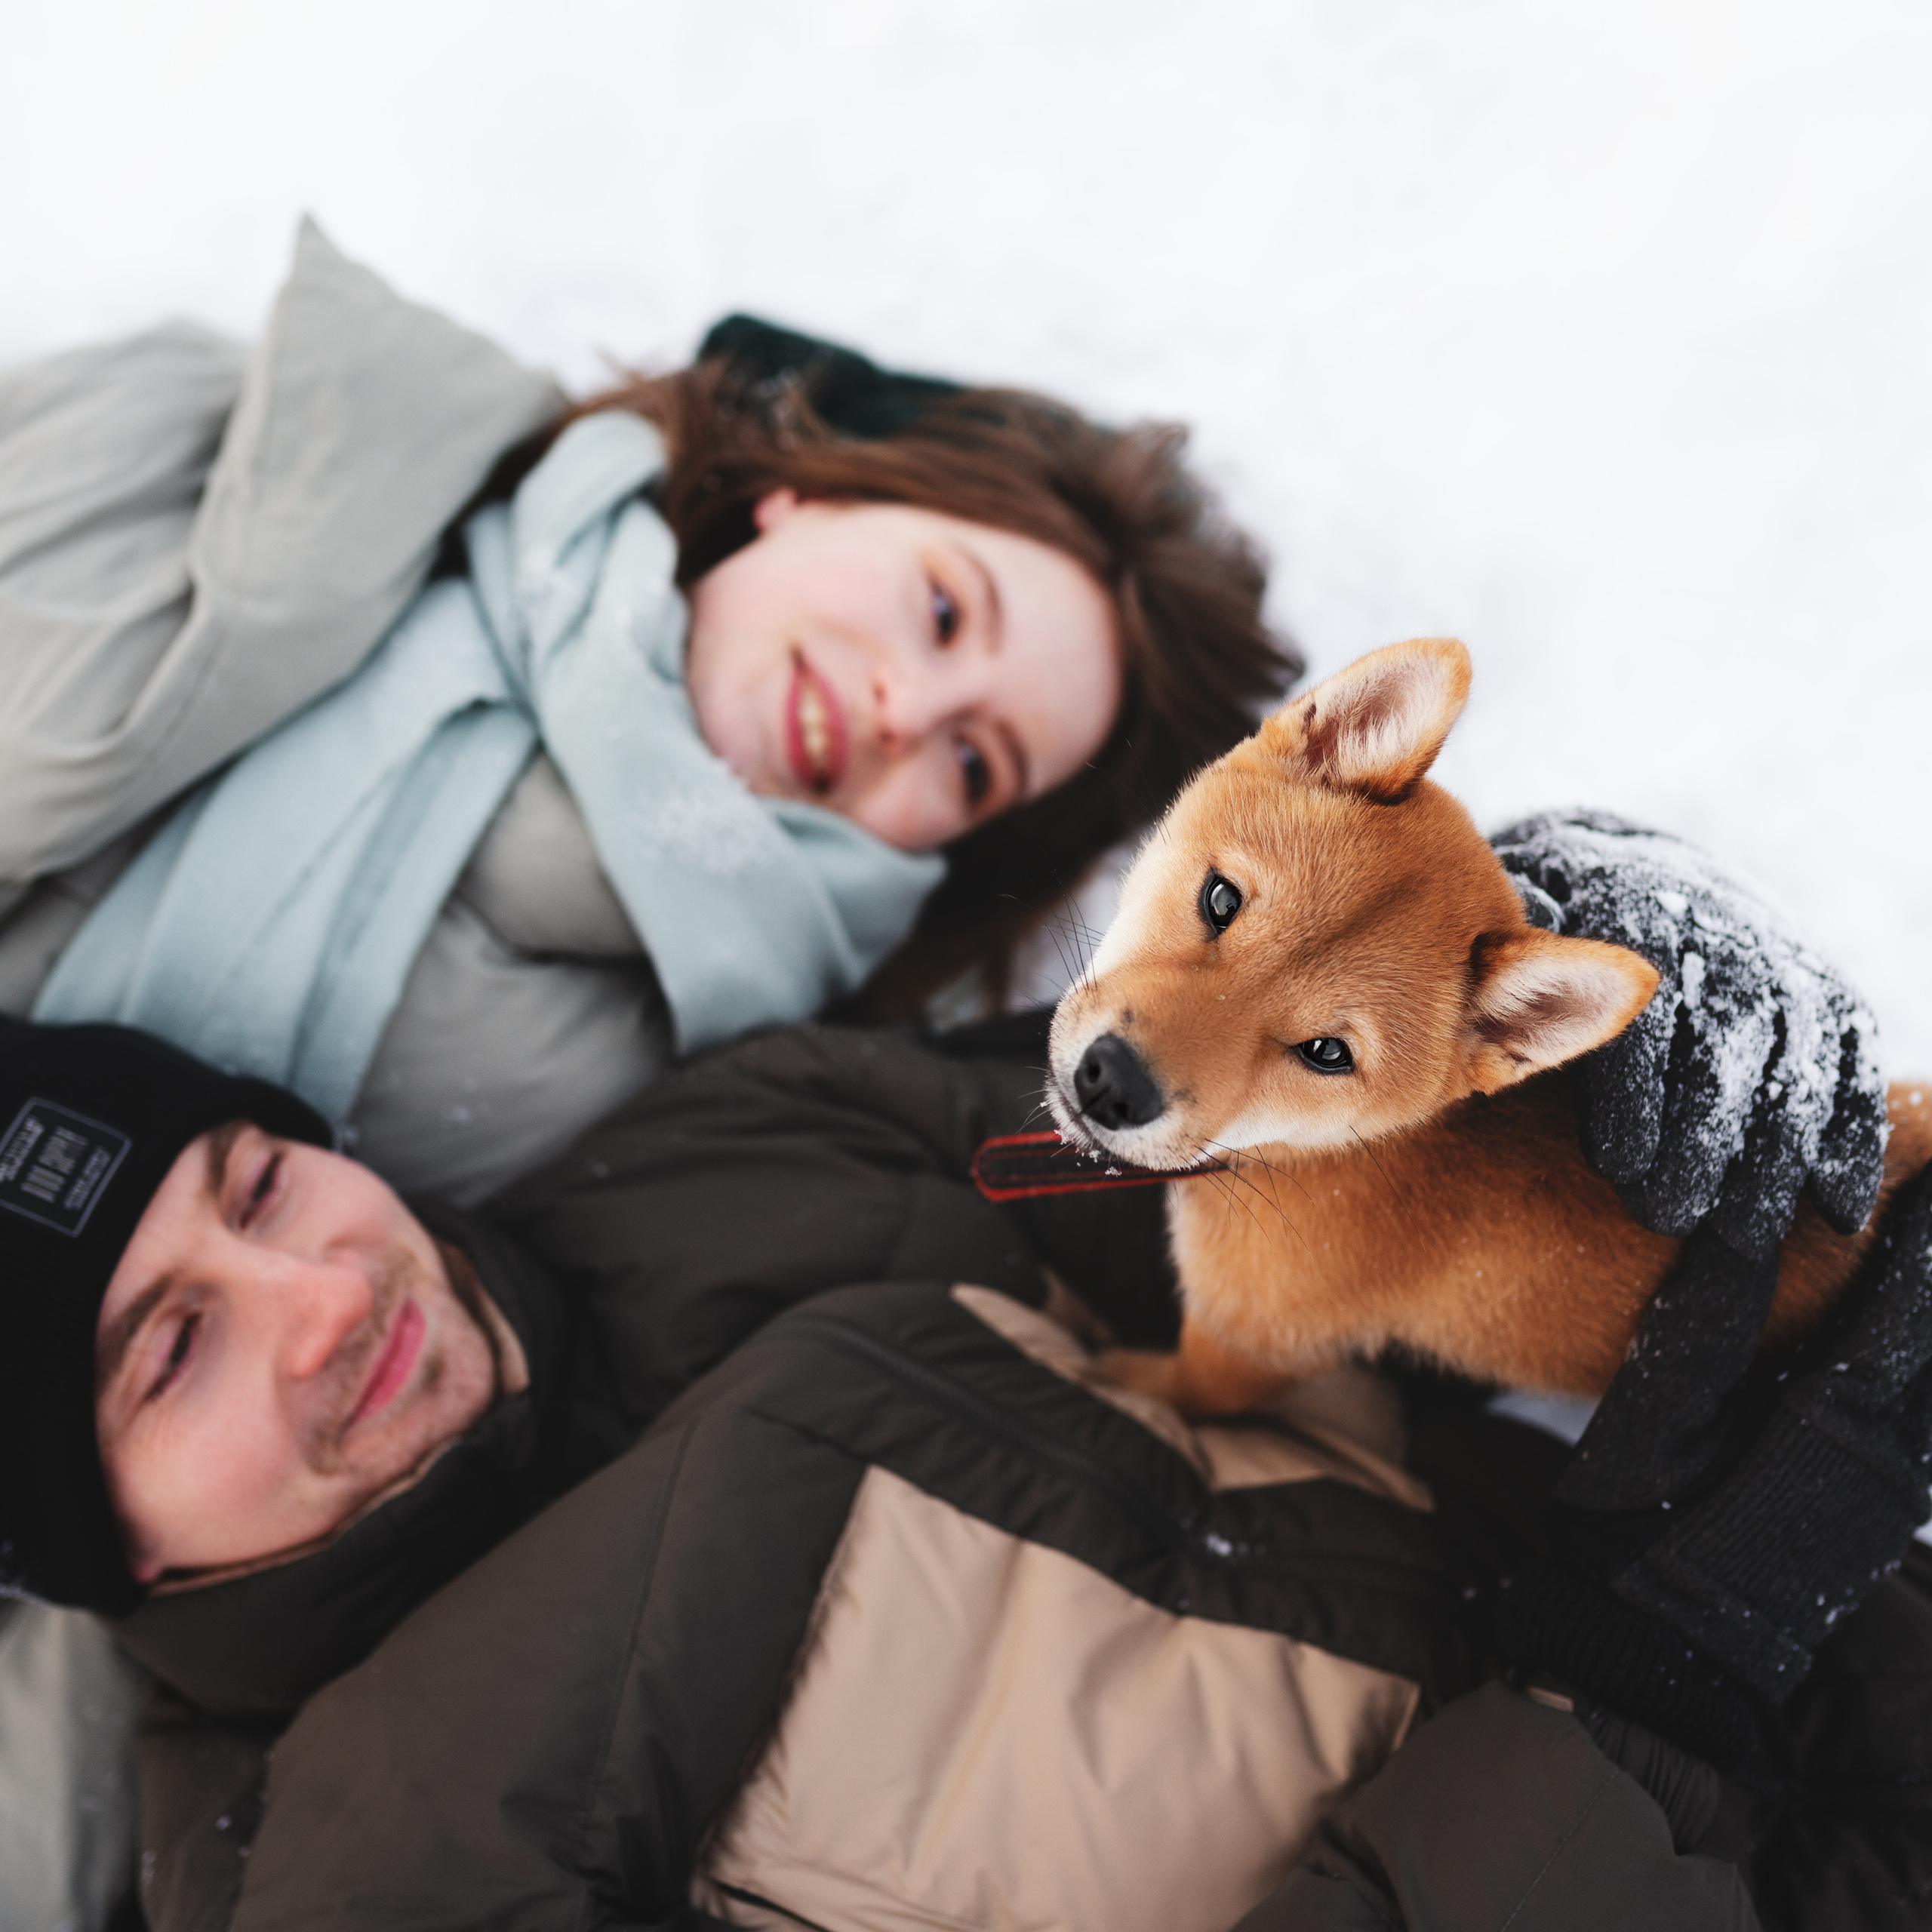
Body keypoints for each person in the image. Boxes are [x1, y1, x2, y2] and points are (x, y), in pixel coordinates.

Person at [3, 1004, 1929, 1932]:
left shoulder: (734, 1141)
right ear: (104, 1553)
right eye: (171, 1348)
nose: (319, 1297)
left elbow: (1233, 1148)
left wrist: (1559, 1059)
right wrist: (1645, 1693)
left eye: (257, 1181)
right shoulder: (332, 1877)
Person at [0, 220, 1295, 1206]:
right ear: (815, 492)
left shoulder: (698, 1097)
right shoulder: (284, 426)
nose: (909, 708)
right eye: (945, 613)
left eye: (974, 763)